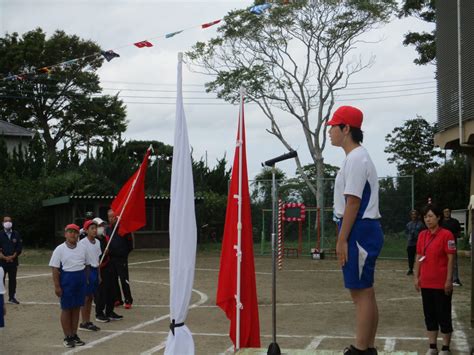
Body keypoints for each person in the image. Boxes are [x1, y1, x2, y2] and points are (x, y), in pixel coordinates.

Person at [328, 106, 383, 355]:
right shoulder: (355, 157)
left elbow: (353, 202)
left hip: (358, 230)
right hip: (360, 229)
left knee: (360, 294)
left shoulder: (357, 158)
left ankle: (361, 349)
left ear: (346, 128)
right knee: (365, 292)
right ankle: (367, 347)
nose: (330, 131)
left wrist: (342, 239)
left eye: (333, 126)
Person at [414, 204, 456, 355]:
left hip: (441, 283)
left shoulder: (447, 235)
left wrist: (449, 280)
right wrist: (416, 276)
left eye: (431, 216)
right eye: (425, 216)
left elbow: (451, 259)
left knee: (443, 315)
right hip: (426, 282)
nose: (428, 219)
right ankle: (432, 346)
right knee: (429, 315)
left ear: (438, 217)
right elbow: (419, 256)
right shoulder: (422, 235)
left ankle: (445, 347)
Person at [49, 224, 89, 348]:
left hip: (80, 280)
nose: (73, 234)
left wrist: (86, 280)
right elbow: (55, 269)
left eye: (75, 232)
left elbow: (86, 265)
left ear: (78, 234)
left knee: (76, 308)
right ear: (65, 234)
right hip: (67, 281)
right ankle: (67, 336)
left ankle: (74, 334)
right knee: (66, 309)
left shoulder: (82, 248)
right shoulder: (59, 249)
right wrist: (57, 286)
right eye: (70, 232)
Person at [93, 217, 123, 322]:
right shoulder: (92, 241)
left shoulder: (104, 238)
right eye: (98, 226)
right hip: (100, 268)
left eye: (102, 226)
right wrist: (102, 253)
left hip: (109, 266)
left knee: (112, 289)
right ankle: (99, 313)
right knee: (101, 292)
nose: (101, 228)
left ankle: (110, 311)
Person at [107, 209, 134, 309]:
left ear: (117, 217)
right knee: (113, 279)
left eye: (113, 216)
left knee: (124, 279)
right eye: (109, 217)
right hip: (111, 258)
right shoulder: (108, 230)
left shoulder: (124, 229)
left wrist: (124, 253)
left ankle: (128, 300)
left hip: (121, 258)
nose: (111, 219)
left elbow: (130, 244)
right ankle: (117, 299)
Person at [78, 220, 101, 331]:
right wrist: (85, 276)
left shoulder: (97, 242)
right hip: (87, 270)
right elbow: (81, 259)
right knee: (85, 297)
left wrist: (99, 275)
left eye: (95, 228)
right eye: (92, 228)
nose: (95, 230)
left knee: (91, 297)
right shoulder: (82, 243)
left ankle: (88, 320)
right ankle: (84, 322)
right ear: (86, 230)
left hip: (95, 270)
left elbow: (97, 260)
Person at [0, 215, 23, 304]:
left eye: (9, 221)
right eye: (6, 221)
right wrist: (4, 257)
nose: (8, 222)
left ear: (12, 223)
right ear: (3, 223)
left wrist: (13, 256)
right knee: (0, 279)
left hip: (13, 261)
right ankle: (0, 297)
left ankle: (12, 297)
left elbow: (19, 248)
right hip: (1, 262)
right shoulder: (0, 234)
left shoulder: (16, 234)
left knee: (13, 280)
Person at [441, 208, 462, 286]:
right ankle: (443, 278)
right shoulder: (441, 222)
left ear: (450, 212)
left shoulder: (455, 221)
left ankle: (455, 279)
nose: (446, 213)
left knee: (453, 261)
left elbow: (459, 232)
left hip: (452, 244)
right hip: (442, 244)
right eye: (445, 212)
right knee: (443, 261)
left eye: (448, 212)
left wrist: (452, 236)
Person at [406, 210, 425, 275]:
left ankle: (420, 270)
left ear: (417, 215)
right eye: (412, 214)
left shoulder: (421, 224)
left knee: (419, 257)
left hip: (418, 243)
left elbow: (424, 233)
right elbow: (407, 233)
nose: (413, 216)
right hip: (410, 243)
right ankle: (410, 269)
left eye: (415, 214)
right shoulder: (408, 224)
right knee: (410, 257)